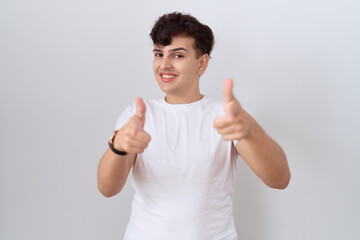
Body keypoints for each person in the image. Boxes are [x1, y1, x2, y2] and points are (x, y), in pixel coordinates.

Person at [97, 12, 291, 240]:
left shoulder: (226, 116)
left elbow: (279, 180)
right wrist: (117, 145)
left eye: (177, 55)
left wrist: (252, 132)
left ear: (202, 64)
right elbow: (107, 189)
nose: (164, 65)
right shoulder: (137, 115)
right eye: (159, 54)